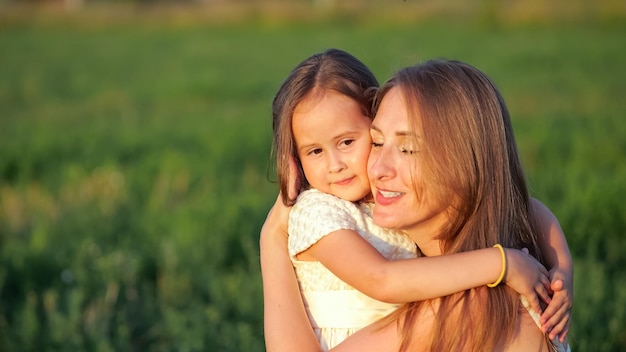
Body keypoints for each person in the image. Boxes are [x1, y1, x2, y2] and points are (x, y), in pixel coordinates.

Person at [263, 50, 572, 350]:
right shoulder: (323, 211)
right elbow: (381, 278)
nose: (377, 167)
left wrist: (559, 269)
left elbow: (527, 207)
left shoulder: (476, 308)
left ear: (465, 163)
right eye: (379, 142)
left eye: (407, 149)